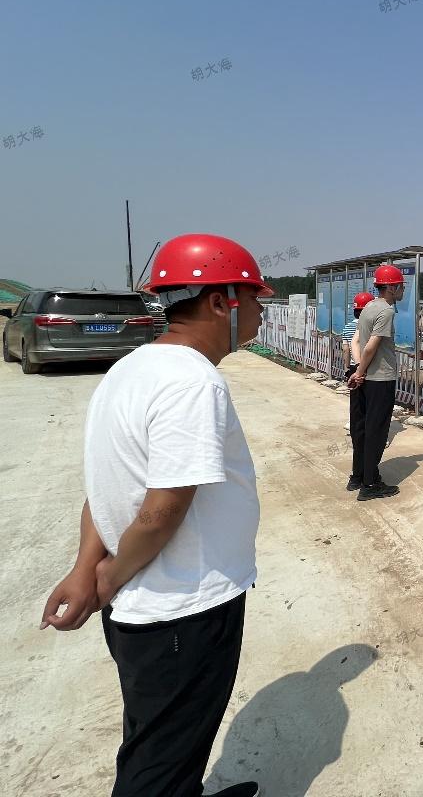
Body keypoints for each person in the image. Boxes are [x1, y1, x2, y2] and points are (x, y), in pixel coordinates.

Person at [39, 232, 270, 797]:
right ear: (220, 303)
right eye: (253, 299)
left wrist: (85, 568)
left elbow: (105, 484)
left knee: (159, 738)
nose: (262, 312)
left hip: (148, 612)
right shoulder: (193, 382)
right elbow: (164, 507)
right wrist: (108, 575)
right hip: (183, 611)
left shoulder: (130, 368)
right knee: (158, 768)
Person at [347, 265, 404, 500]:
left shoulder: (369, 306)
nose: (402, 290)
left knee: (361, 428)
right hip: (380, 378)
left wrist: (358, 371)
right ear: (391, 288)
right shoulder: (386, 311)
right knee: (376, 431)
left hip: (366, 378)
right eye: (400, 286)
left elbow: (357, 341)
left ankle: (358, 476)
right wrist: (360, 371)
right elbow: (371, 345)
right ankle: (369, 484)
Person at [341, 291, 374, 442]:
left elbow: (345, 349)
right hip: (369, 367)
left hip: (354, 368)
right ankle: (372, 432)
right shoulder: (371, 328)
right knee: (371, 402)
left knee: (356, 402)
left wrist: (347, 367)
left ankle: (354, 427)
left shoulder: (348, 327)